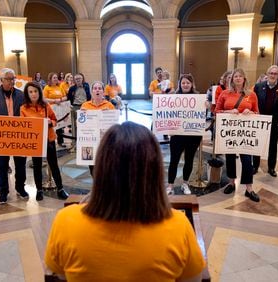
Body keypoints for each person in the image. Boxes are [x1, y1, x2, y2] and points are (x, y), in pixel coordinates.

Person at [45, 121, 205, 281]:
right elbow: (194, 279)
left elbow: (58, 274)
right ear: (154, 171)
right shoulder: (178, 227)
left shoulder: (65, 221)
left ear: (101, 167)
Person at [216, 68, 260, 202]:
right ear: (231, 79)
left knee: (247, 159)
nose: (238, 78)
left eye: (240, 76)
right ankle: (231, 182)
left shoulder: (251, 95)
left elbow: (257, 113)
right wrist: (228, 112)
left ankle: (249, 188)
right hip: (229, 131)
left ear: (244, 79)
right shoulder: (224, 93)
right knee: (229, 157)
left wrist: (250, 112)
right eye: (236, 76)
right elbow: (217, 111)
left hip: (245, 133)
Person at [0, 68, 29, 204]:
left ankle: (20, 188)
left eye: (13, 78)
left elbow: (28, 113)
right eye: (9, 79)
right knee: (2, 165)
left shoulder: (21, 95)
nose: (12, 81)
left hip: (19, 136)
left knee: (20, 164)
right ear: (1, 80)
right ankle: (3, 191)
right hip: (2, 137)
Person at [20, 82, 69, 201]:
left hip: (49, 138)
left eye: (35, 91)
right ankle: (39, 190)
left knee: (54, 164)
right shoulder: (23, 108)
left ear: (39, 92)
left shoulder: (46, 105)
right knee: (37, 166)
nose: (33, 94)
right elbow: (22, 126)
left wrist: (50, 122)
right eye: (30, 92)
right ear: (27, 94)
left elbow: (55, 120)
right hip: (35, 141)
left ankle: (60, 188)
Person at [166, 74, 202, 196]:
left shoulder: (198, 98)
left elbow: (201, 115)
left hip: (193, 136)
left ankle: (185, 183)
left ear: (192, 84)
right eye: (183, 83)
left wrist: (206, 106)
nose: (185, 85)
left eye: (188, 83)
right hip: (177, 135)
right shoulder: (174, 97)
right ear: (180, 84)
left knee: (189, 160)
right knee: (174, 160)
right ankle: (170, 185)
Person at [252, 65, 278, 177]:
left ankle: (271, 168)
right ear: (267, 74)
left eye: (275, 74)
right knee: (257, 144)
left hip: (275, 121)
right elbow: (253, 102)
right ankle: (255, 166)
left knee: (273, 145)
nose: (273, 75)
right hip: (260, 120)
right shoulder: (258, 86)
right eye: (271, 73)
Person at [81, 81, 115, 175]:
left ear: (103, 92)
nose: (97, 90)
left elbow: (115, 126)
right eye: (95, 88)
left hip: (105, 141)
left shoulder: (109, 105)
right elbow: (79, 125)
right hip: (89, 141)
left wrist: (109, 115)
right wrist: (82, 116)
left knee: (106, 166)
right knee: (92, 168)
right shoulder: (85, 105)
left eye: (99, 88)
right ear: (91, 92)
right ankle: (96, 186)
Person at [43, 72, 68, 147]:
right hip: (51, 109)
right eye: (54, 78)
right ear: (50, 79)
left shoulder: (59, 87)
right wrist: (54, 101)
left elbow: (65, 97)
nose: (56, 79)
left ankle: (60, 142)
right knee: (53, 125)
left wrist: (60, 99)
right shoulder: (47, 87)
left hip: (60, 109)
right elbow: (44, 98)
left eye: (56, 78)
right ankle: (51, 142)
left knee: (60, 125)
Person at [67, 73, 91, 146]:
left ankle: (87, 140)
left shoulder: (86, 86)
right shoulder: (72, 88)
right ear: (74, 80)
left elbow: (89, 96)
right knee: (76, 125)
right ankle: (76, 142)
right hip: (76, 107)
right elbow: (69, 98)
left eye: (79, 79)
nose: (78, 80)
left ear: (82, 79)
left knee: (87, 125)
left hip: (86, 107)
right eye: (76, 79)